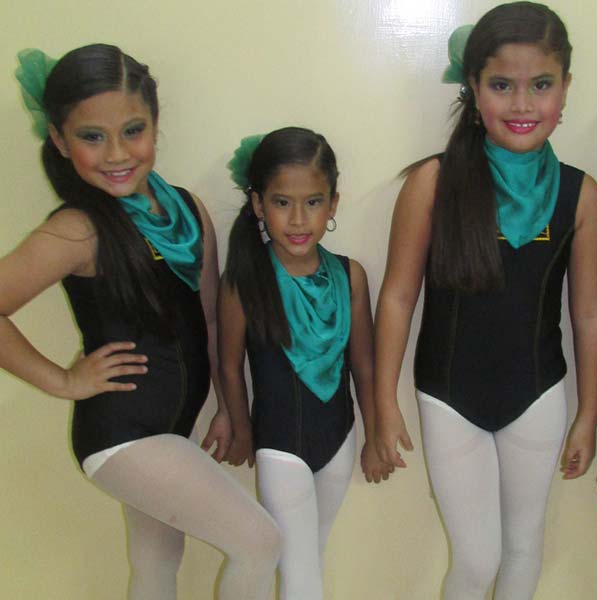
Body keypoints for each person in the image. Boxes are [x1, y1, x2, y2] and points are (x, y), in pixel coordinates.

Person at [2, 44, 281, 600]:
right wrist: (63, 380)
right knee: (259, 542)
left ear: (155, 123)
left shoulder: (187, 211)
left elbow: (207, 322)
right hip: (121, 433)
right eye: (92, 136)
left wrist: (227, 407)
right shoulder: (79, 229)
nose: (116, 154)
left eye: (133, 131)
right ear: (59, 139)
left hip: (172, 426)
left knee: (156, 564)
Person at [373, 3, 597, 598]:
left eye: (541, 85)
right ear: (474, 88)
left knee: (524, 547)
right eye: (502, 85)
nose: (522, 104)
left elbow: (589, 313)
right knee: (477, 559)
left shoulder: (581, 195)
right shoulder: (433, 182)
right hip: (449, 396)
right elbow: (398, 296)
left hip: (538, 392)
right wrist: (382, 399)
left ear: (565, 88)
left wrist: (587, 413)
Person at [219, 127, 391, 600]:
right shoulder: (244, 280)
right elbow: (229, 366)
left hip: (339, 439)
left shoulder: (351, 276)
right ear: (258, 204)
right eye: (282, 202)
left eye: (313, 202)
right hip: (279, 444)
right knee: (299, 572)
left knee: (311, 553)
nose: (298, 219)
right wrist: (241, 429)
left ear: (333, 203)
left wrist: (375, 434)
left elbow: (364, 366)